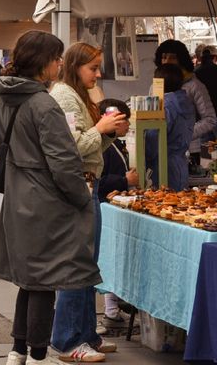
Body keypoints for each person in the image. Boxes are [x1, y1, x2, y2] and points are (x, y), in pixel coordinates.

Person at [0, 30, 100, 365]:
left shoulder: (2, 97)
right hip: (46, 202)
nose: (59, 64)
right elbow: (64, 162)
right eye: (56, 58)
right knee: (45, 281)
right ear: (43, 63)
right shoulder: (43, 104)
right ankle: (37, 355)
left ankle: (18, 351)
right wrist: (82, 197)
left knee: (30, 280)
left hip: (18, 196)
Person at [49, 43, 128, 361]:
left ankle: (85, 334)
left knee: (85, 266)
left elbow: (88, 143)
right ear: (75, 66)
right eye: (93, 67)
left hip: (86, 188)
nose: (98, 73)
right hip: (78, 188)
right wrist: (101, 129)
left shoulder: (78, 94)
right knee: (76, 266)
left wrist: (108, 134)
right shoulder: (65, 96)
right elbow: (71, 146)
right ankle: (67, 341)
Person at [94, 98, 136, 334]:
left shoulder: (113, 145)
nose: (127, 125)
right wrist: (124, 181)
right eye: (123, 120)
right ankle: (109, 310)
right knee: (105, 260)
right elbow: (99, 181)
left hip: (110, 207)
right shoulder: (103, 147)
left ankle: (112, 309)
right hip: (104, 208)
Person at [153, 40, 216, 163]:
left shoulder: (195, 86)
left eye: (172, 58)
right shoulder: (155, 85)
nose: (166, 61)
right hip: (161, 150)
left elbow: (210, 119)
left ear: (181, 60)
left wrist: (184, 133)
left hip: (190, 150)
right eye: (164, 57)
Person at [146, 64, 195, 191]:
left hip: (163, 165)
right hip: (180, 164)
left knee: (164, 206)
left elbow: (153, 138)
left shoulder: (164, 105)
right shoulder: (186, 101)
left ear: (158, 83)